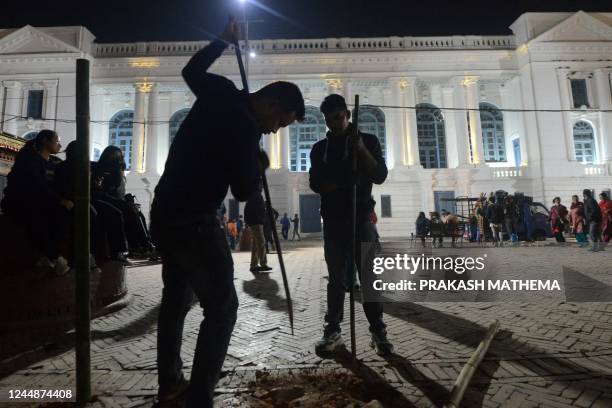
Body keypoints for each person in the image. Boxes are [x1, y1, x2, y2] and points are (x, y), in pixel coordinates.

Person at [149, 19, 304, 407]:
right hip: (194, 222)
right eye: (279, 122)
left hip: (165, 211)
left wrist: (221, 40)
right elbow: (244, 190)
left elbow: (190, 70)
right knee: (222, 308)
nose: (274, 130)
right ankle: (198, 396)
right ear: (270, 104)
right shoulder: (245, 128)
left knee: (175, 301)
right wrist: (259, 166)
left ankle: (170, 384)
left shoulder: (220, 92)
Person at [309, 93, 393, 356]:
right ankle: (332, 331)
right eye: (328, 119)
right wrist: (345, 179)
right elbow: (317, 184)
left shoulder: (367, 141)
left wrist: (360, 151)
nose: (333, 123)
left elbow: (379, 175)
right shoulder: (320, 149)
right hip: (334, 221)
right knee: (336, 279)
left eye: (337, 117)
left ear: (347, 114)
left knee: (369, 278)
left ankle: (378, 331)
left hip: (362, 219)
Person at [1, 130, 71, 275]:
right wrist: (60, 201)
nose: (60, 145)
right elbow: (37, 186)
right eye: (57, 141)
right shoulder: (29, 159)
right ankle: (53, 257)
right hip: (19, 202)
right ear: (46, 141)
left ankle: (49, 255)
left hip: (40, 201)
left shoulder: (51, 162)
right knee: (40, 216)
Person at [245, 187, 271, 272]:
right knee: (261, 242)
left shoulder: (255, 195)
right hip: (256, 222)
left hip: (256, 221)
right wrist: (260, 219)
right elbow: (250, 209)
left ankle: (254, 265)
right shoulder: (255, 195)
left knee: (256, 244)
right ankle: (263, 263)